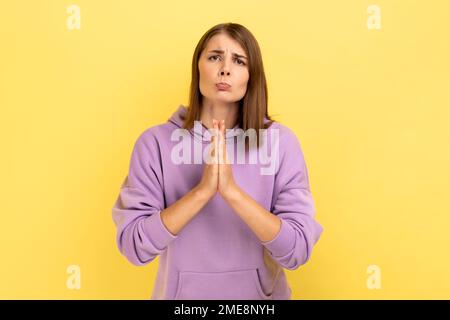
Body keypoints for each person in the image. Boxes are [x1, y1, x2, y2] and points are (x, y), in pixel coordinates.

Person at [112, 22, 323, 300]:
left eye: (239, 60)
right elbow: (135, 246)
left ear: (252, 76)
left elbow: (296, 250)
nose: (225, 68)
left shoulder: (280, 143)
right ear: (197, 67)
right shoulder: (155, 144)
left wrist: (232, 192)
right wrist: (202, 192)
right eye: (215, 57)